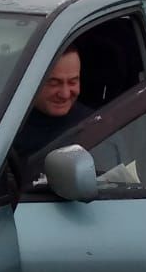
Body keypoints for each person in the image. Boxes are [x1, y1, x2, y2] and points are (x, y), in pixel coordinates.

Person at [12, 48, 127, 181]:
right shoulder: (2, 127)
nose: (65, 94)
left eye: (73, 82)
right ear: (32, 81)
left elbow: (114, 188)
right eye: (54, 83)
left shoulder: (97, 128)